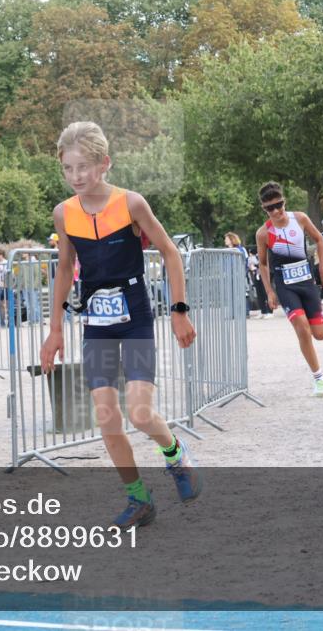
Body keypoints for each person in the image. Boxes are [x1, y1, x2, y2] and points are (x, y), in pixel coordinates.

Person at [40, 121, 199, 530]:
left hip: (135, 314)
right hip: (96, 321)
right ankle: (139, 499)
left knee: (141, 413)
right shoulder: (64, 213)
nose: (76, 176)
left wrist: (179, 310)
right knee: (107, 417)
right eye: (68, 168)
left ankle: (176, 455)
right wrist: (55, 330)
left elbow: (170, 252)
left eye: (83, 167)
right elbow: (65, 270)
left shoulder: (131, 203)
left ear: (104, 164)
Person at [256, 181, 323, 396]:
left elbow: (319, 240)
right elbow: (263, 263)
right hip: (285, 286)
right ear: (264, 209)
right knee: (302, 327)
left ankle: (312, 319)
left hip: (307, 282)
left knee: (320, 334)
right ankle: (318, 378)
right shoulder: (263, 233)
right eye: (269, 208)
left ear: (284, 202)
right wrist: (269, 291)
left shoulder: (299, 219)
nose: (276, 211)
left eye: (278, 205)